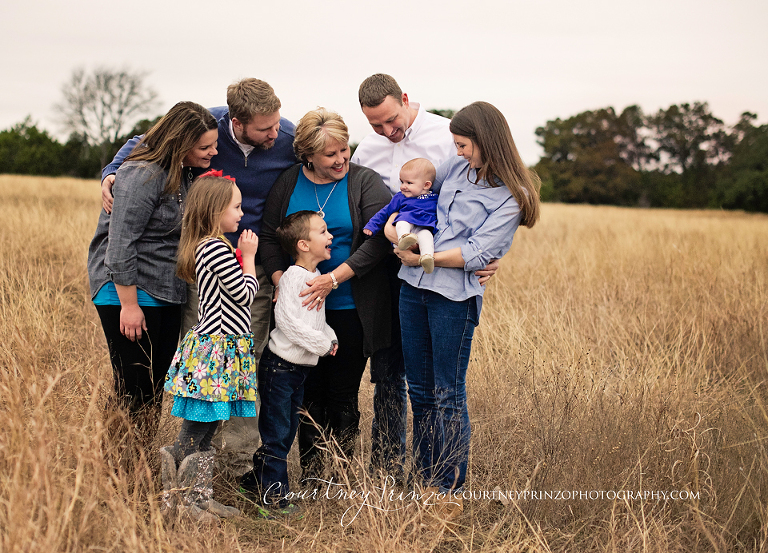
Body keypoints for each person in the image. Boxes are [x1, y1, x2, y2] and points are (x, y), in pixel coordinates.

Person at [101, 79, 297, 474]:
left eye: (277, 125)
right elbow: (146, 143)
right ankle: (177, 469)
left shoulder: (287, 135)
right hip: (203, 261)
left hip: (226, 262)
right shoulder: (204, 127)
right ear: (237, 122)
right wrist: (111, 173)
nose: (276, 135)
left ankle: (231, 463)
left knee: (229, 365)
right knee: (179, 379)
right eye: (265, 129)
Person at [385, 101, 541, 522]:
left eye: (464, 145)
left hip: (454, 298)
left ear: (486, 142)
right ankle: (424, 478)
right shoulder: (454, 170)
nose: (457, 152)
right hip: (412, 289)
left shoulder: (512, 196)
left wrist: (425, 259)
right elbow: (412, 200)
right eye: (455, 144)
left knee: (447, 392)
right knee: (418, 389)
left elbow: (478, 251)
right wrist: (395, 232)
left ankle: (449, 489)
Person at [352, 74, 498, 482]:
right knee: (390, 371)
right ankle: (388, 467)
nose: (387, 131)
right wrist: (385, 231)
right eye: (376, 125)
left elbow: (483, 197)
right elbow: (367, 209)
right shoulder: (367, 149)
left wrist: (490, 255)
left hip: (440, 267)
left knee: (437, 383)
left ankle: (438, 475)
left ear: (405, 99)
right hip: (387, 269)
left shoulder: (443, 136)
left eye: (392, 120)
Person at [259, 108, 391, 480]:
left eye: (344, 149)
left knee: (343, 394)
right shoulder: (288, 182)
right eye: (330, 154)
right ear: (308, 155)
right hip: (300, 309)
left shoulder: (364, 181)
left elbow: (378, 239)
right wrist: (283, 278)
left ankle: (339, 473)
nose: (341, 159)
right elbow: (270, 235)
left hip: (350, 306)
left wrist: (333, 279)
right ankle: (313, 474)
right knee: (307, 394)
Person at [87, 101, 218, 435]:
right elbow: (119, 244)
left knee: (154, 388)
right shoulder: (141, 174)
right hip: (128, 292)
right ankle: (121, 474)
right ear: (179, 143)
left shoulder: (185, 174)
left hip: (165, 290)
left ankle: (139, 471)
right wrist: (129, 306)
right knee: (133, 389)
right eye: (204, 147)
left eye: (214, 144)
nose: (213, 152)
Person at [161, 172, 259, 521]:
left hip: (220, 350)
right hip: (214, 353)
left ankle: (198, 499)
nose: (241, 214)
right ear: (214, 210)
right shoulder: (215, 247)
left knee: (205, 431)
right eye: (235, 206)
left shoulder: (207, 244)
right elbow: (246, 294)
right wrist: (248, 257)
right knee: (196, 428)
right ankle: (180, 503)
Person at [240, 210, 338, 518]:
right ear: (304, 245)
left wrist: (330, 337)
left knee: (285, 428)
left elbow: (316, 321)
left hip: (297, 371)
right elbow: (286, 321)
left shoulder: (314, 279)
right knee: (278, 432)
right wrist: (323, 345)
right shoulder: (294, 277)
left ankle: (254, 480)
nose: (330, 236)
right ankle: (273, 499)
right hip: (279, 368)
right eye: (323, 231)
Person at [363, 158, 438, 273]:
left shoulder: (434, 198)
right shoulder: (401, 197)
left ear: (426, 185)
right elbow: (385, 211)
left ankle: (427, 257)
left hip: (423, 226)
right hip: (405, 225)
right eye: (402, 182)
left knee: (426, 236)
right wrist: (372, 225)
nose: (403, 186)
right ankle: (404, 238)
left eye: (409, 183)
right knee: (402, 222)